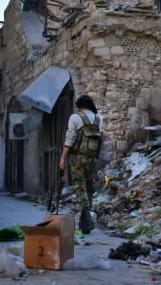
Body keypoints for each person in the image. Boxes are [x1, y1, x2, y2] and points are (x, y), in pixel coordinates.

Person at [59, 94, 103, 234]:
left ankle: (86, 218)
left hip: (78, 157)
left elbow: (70, 138)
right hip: (92, 159)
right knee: (89, 188)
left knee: (79, 186)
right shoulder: (98, 118)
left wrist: (63, 158)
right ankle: (86, 223)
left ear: (79, 106)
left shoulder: (75, 118)